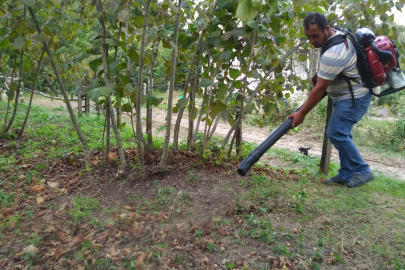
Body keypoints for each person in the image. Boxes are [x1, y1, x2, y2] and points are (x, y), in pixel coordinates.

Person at [288, 12, 374, 188]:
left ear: (327, 29)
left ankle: (362, 170)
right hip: (347, 95)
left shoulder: (334, 52)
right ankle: (345, 174)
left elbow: (320, 88)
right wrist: (318, 76)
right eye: (308, 37)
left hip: (354, 98)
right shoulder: (333, 37)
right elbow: (326, 77)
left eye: (315, 35)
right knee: (342, 133)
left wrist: (301, 114)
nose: (311, 40)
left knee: (336, 132)